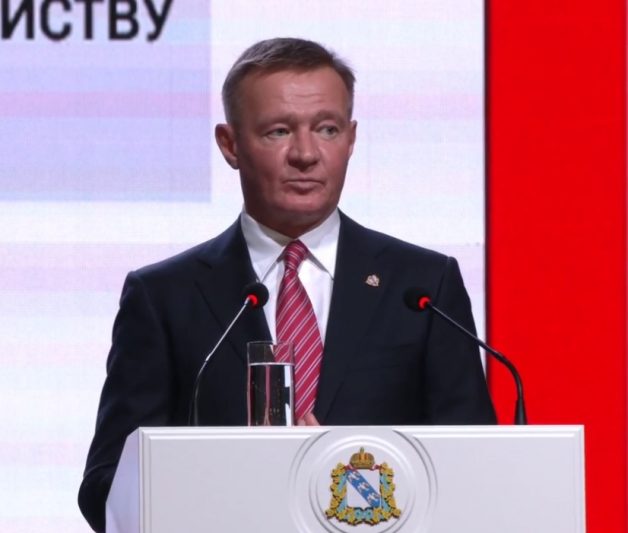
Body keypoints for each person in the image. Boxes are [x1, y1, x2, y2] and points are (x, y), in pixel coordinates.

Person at [78, 37, 496, 532]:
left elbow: (476, 468)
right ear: (230, 145)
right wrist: (235, 490)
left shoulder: (423, 288)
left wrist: (347, 486)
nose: (306, 154)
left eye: (327, 129)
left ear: (352, 138)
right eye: (278, 131)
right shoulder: (164, 297)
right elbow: (107, 485)